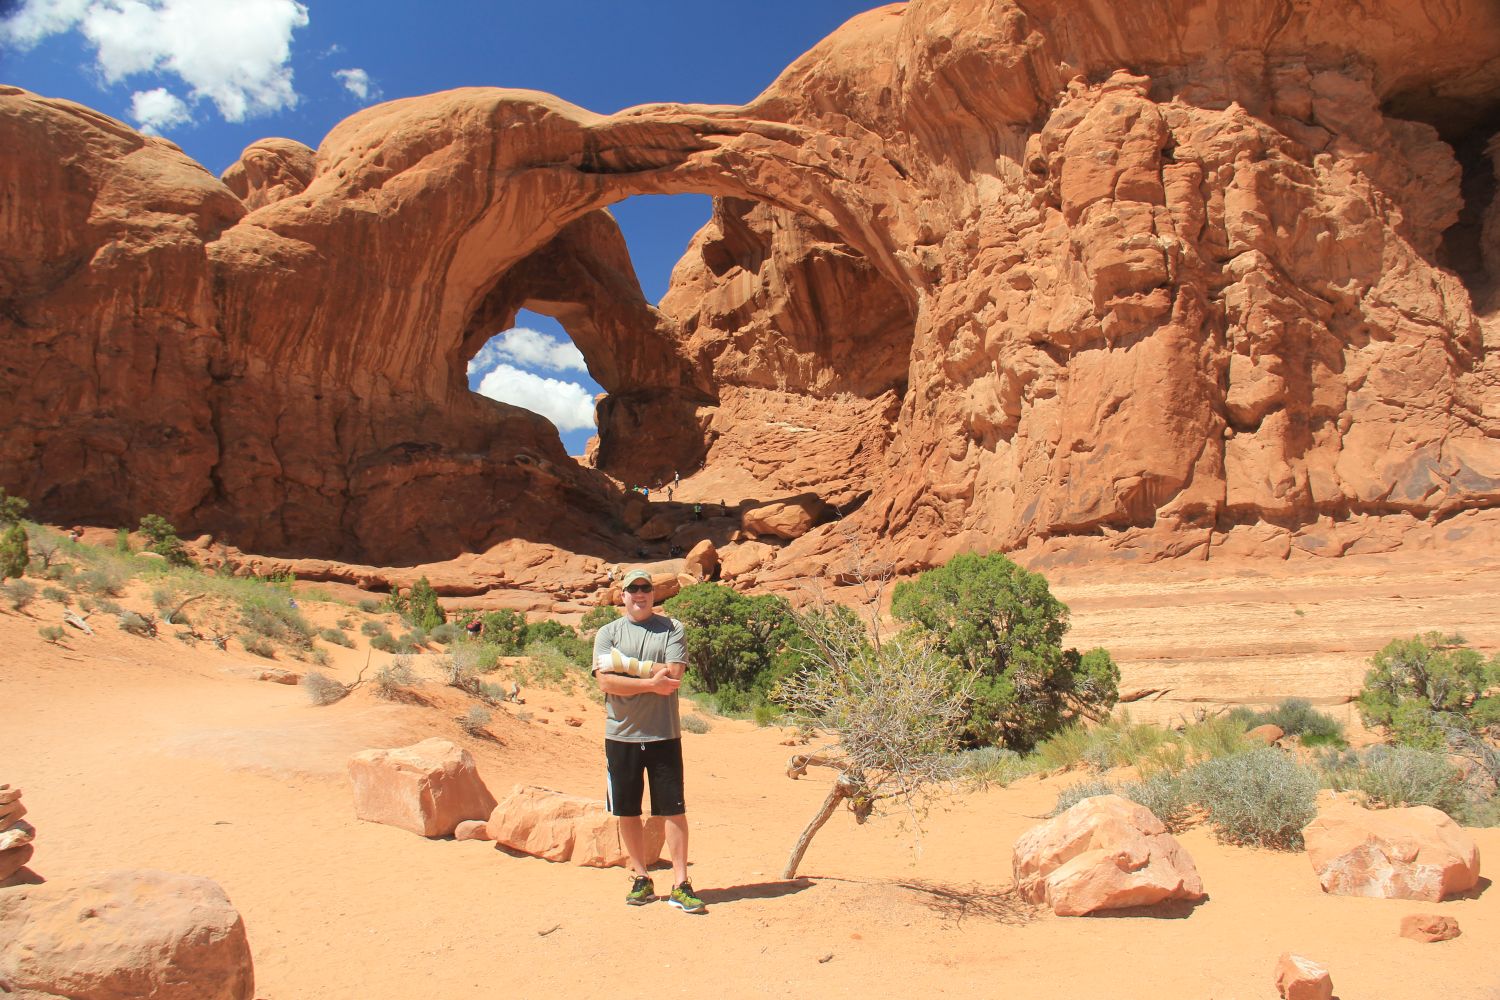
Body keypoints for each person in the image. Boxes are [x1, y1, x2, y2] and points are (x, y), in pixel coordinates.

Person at [592, 569, 706, 914]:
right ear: (622, 595)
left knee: (673, 809)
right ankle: (641, 878)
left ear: (653, 594)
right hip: (621, 735)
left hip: (663, 734)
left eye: (645, 589)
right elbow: (604, 683)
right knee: (627, 809)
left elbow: (672, 677)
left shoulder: (672, 629)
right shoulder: (607, 632)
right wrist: (647, 679)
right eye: (632, 589)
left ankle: (680, 884)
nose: (639, 594)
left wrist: (623, 668)